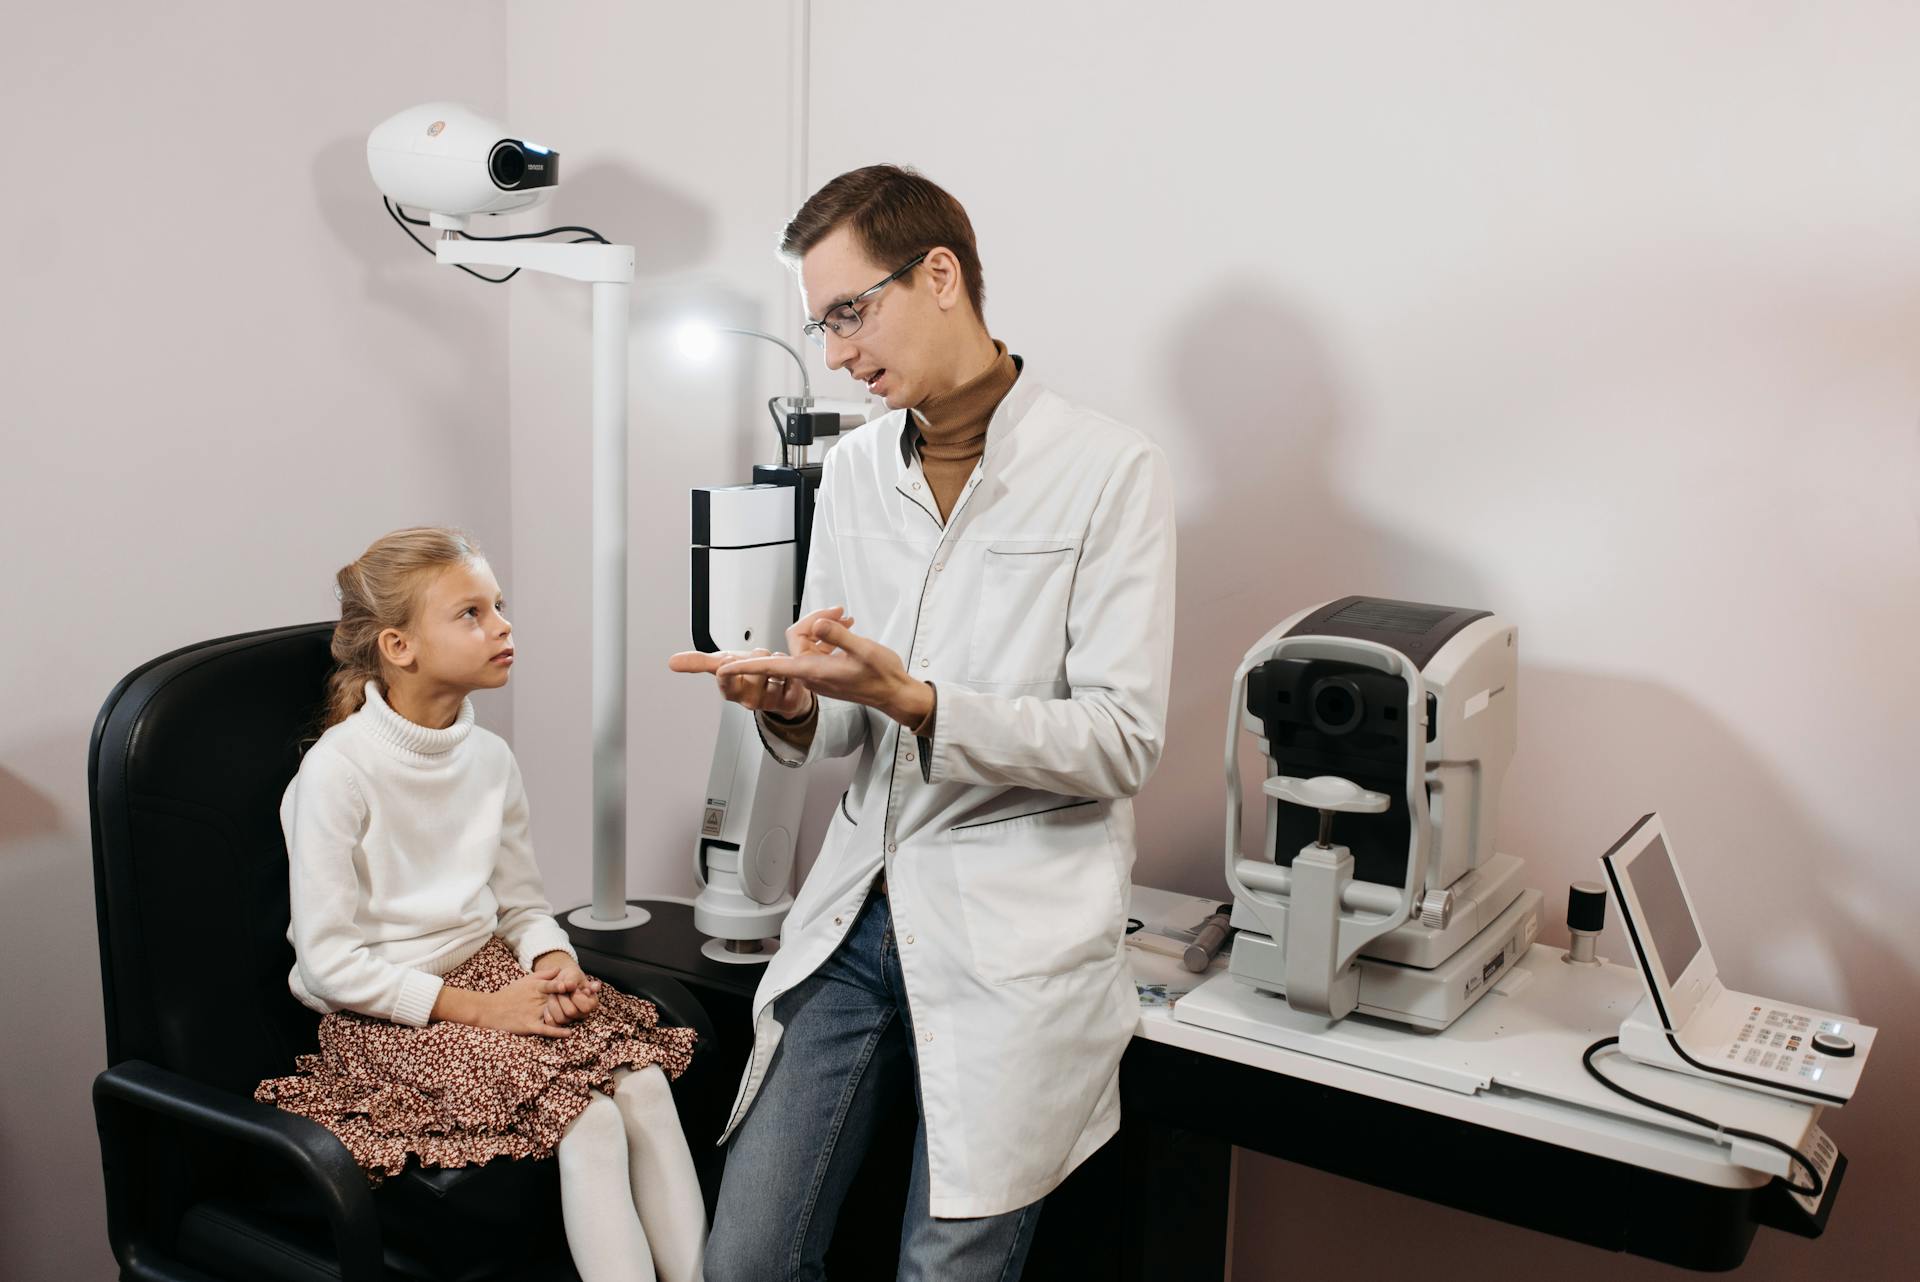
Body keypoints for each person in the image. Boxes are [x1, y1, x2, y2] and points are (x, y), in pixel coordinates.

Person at [672, 165, 1177, 1281]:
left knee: (945, 1270)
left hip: (1011, 932)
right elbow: (852, 728)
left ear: (940, 274)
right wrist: (802, 703)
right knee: (745, 1260)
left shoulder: (1109, 473)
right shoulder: (853, 469)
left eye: (851, 313)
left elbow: (1121, 740)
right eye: (822, 326)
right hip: (857, 913)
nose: (839, 353)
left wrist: (923, 702)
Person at [256, 526, 706, 1282]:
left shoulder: (489, 759)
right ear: (399, 647)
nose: (501, 627)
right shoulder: (336, 774)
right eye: (470, 613)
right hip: (390, 1012)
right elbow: (329, 964)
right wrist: (483, 1010)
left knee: (646, 1085)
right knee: (589, 1120)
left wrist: (554, 958)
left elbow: (521, 906)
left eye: (498, 606)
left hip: (493, 976)